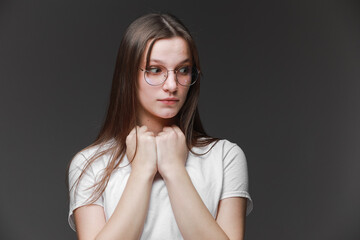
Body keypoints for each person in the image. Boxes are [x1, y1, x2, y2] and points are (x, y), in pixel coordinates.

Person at [67, 12, 253, 240]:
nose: (172, 85)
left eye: (183, 70)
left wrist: (174, 169)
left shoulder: (225, 157)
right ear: (128, 76)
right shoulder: (90, 165)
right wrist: (142, 170)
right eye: (155, 70)